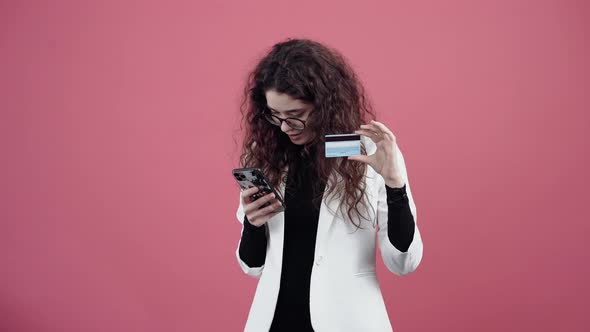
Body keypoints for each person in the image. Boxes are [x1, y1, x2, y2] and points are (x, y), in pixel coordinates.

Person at [234, 38, 424, 332]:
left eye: (295, 116)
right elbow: (253, 266)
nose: (284, 127)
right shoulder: (266, 156)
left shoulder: (371, 152)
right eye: (276, 116)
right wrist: (253, 224)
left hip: (348, 321)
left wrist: (394, 184)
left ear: (324, 104)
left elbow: (402, 262)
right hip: (275, 322)